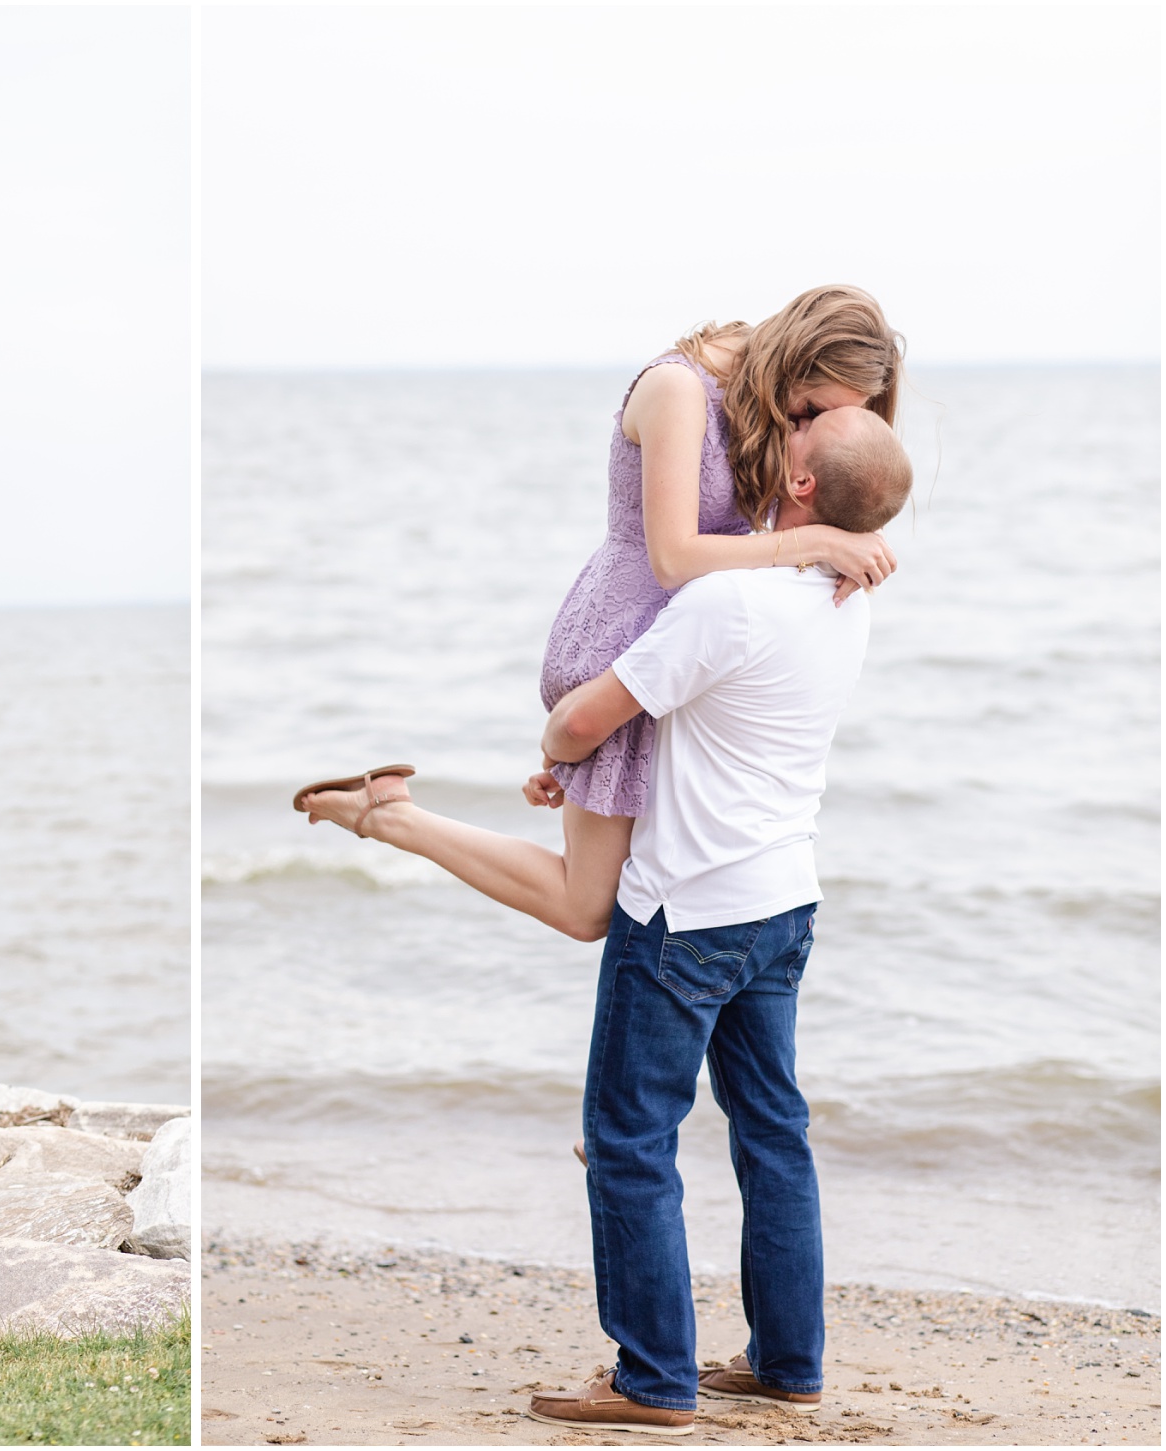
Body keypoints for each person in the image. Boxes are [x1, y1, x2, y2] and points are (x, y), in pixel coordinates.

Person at [521, 405, 913, 1435]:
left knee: (629, 1139)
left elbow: (580, 717)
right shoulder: (845, 599)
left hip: (686, 908)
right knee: (775, 1134)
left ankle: (651, 1377)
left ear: (802, 489)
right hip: (784, 899)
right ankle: (789, 1361)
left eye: (797, 432)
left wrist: (559, 757)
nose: (774, 429)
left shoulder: (727, 600)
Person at [294, 285, 906, 942]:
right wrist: (814, 541)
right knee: (584, 906)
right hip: (623, 633)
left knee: (622, 884)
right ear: (797, 356)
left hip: (676, 647)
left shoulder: (764, 405)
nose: (801, 429)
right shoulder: (679, 388)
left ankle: (391, 809)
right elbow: (671, 557)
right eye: (811, 409)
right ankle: (387, 816)